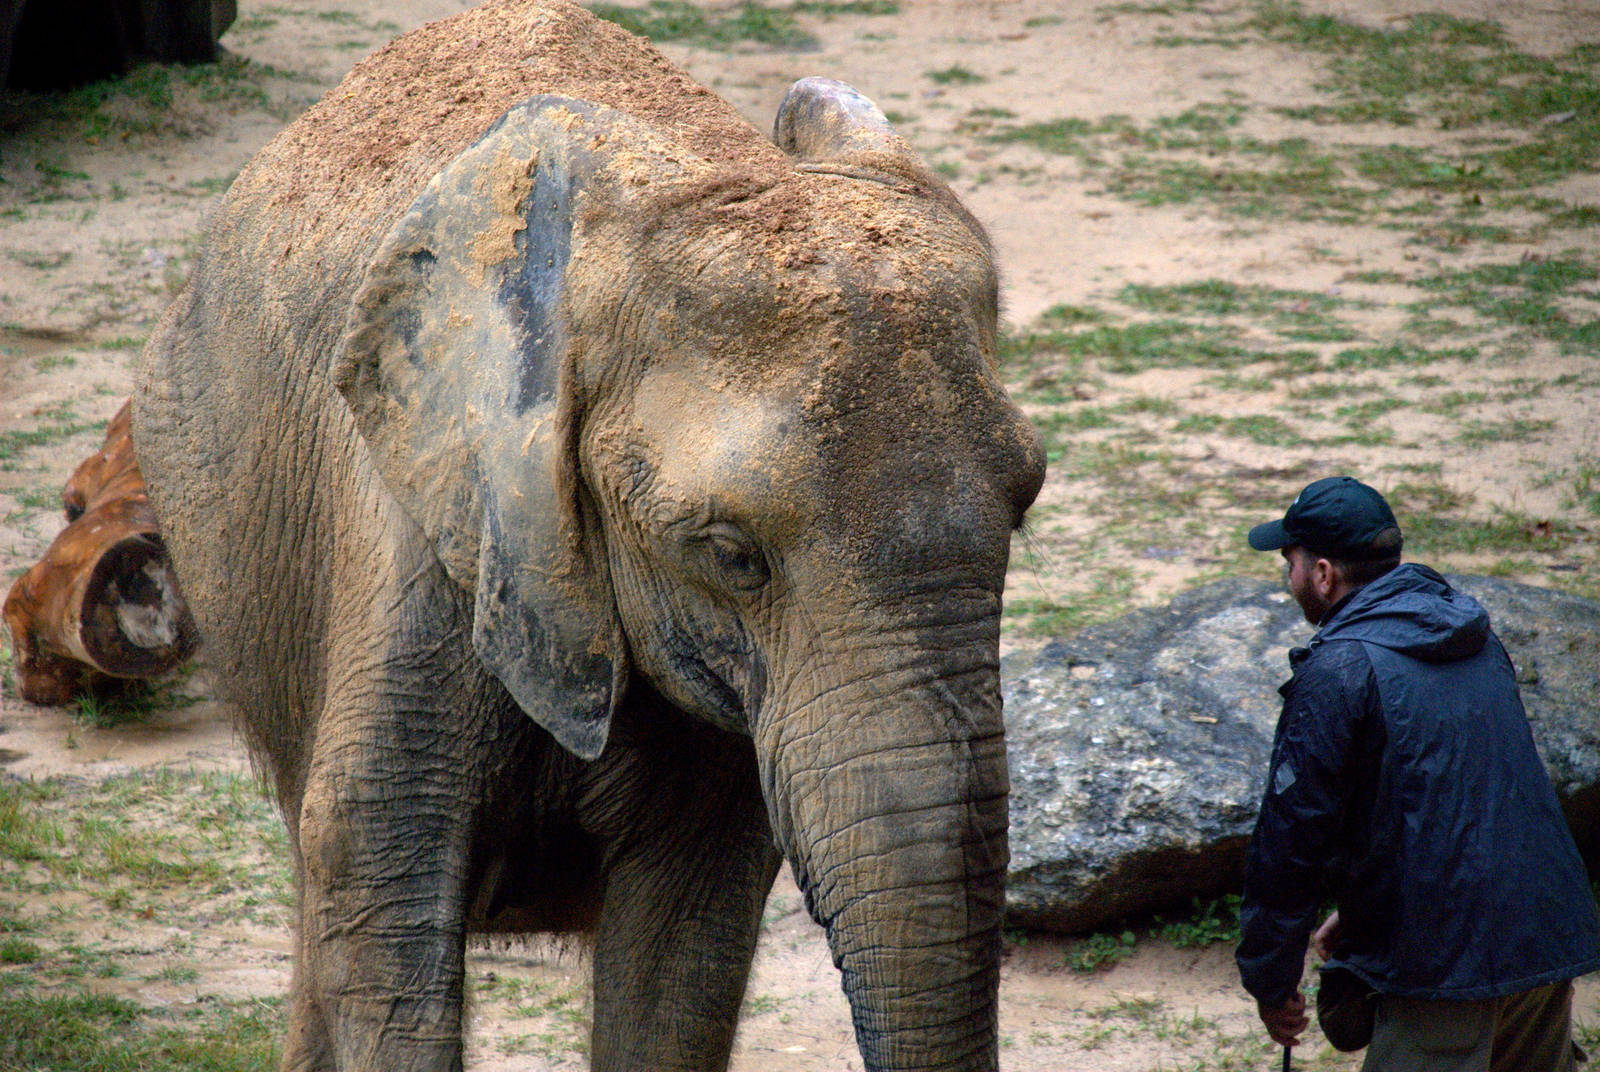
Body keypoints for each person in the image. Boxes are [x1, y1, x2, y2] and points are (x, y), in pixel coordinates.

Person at [1235, 475, 1600, 1070]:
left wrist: (1270, 980)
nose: (1289, 576)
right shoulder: (1474, 640)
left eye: (1290, 560)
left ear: (1323, 574)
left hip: (1448, 966)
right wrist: (1359, 910)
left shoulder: (1338, 671)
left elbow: (1290, 844)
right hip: (1541, 935)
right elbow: (1464, 801)